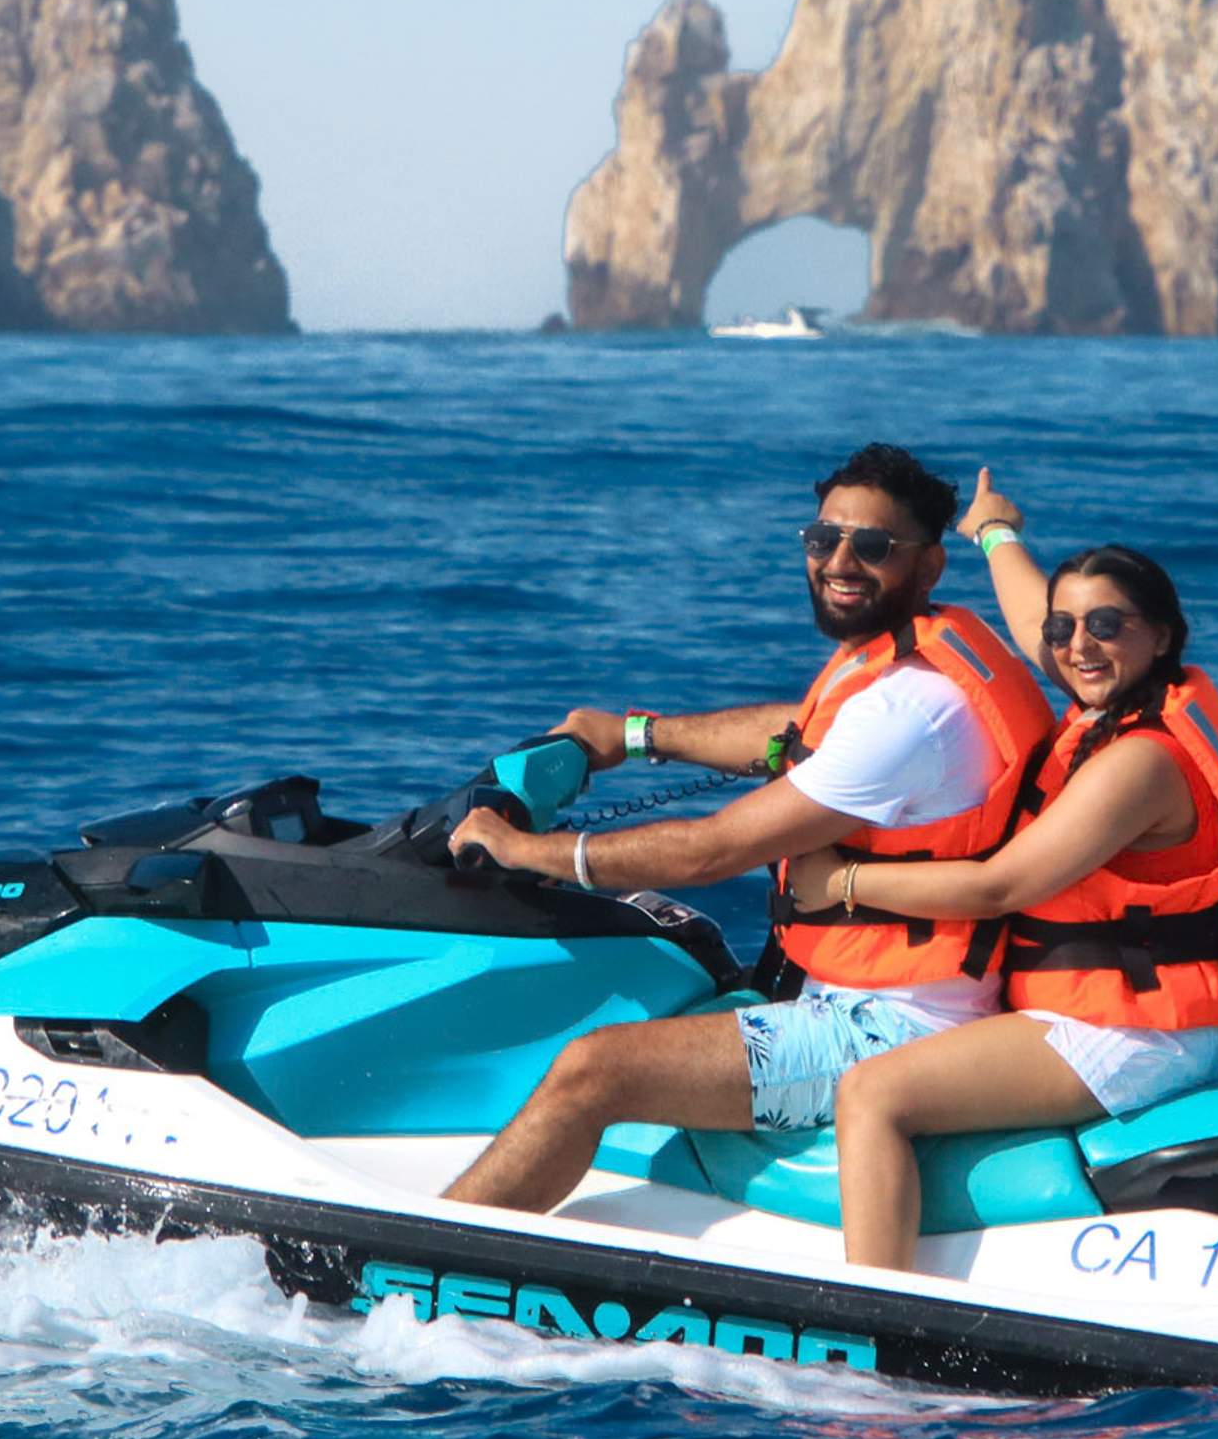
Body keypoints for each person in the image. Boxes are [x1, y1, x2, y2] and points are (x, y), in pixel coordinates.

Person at [438, 443, 1053, 1214]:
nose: (840, 561)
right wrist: (633, 734)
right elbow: (797, 733)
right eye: (823, 539)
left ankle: (406, 1265)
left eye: (872, 547)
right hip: (881, 995)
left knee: (591, 1070)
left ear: (929, 567)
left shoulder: (911, 710)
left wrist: (525, 849)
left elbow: (713, 849)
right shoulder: (906, 661)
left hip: (888, 1027)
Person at [778, 477, 1218, 1271]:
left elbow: (999, 886)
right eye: (1067, 627)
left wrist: (840, 883)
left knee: (873, 1092)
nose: (1078, 645)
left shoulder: (1140, 762)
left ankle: (876, 1317)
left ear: (1162, 638)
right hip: (1171, 1017)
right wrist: (996, 530)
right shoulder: (1123, 703)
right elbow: (1032, 617)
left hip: (1132, 1034)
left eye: (1107, 625)